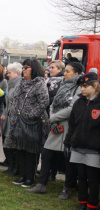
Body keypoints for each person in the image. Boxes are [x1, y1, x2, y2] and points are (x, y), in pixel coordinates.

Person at [27, 62, 83, 194]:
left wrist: (52, 118)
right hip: (55, 126)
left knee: (68, 159)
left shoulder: (79, 88)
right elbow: (53, 104)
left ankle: (68, 187)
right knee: (46, 154)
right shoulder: (62, 85)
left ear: (76, 74)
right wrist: (53, 119)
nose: (65, 73)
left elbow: (72, 109)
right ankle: (41, 184)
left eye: (68, 71)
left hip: (68, 127)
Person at [5, 59, 49, 187]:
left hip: (33, 122)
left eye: (26, 68)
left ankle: (30, 177)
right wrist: (15, 114)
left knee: (31, 150)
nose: (23, 70)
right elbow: (14, 100)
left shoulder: (40, 83)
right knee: (20, 148)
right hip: (18, 120)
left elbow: (43, 103)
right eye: (23, 68)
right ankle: (22, 175)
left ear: (33, 69)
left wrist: (30, 115)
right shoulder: (21, 83)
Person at [64, 72, 100, 210]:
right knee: (81, 177)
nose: (82, 89)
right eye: (80, 86)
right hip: (78, 146)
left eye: (85, 86)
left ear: (95, 85)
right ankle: (82, 202)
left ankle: (92, 203)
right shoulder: (79, 102)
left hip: (94, 149)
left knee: (93, 179)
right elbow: (72, 125)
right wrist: (68, 143)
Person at [1, 62, 23, 174]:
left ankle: (16, 167)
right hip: (8, 116)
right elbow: (8, 102)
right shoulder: (11, 84)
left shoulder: (20, 85)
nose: (7, 75)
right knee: (7, 142)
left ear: (17, 73)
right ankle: (11, 165)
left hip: (14, 119)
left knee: (13, 144)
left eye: (9, 73)